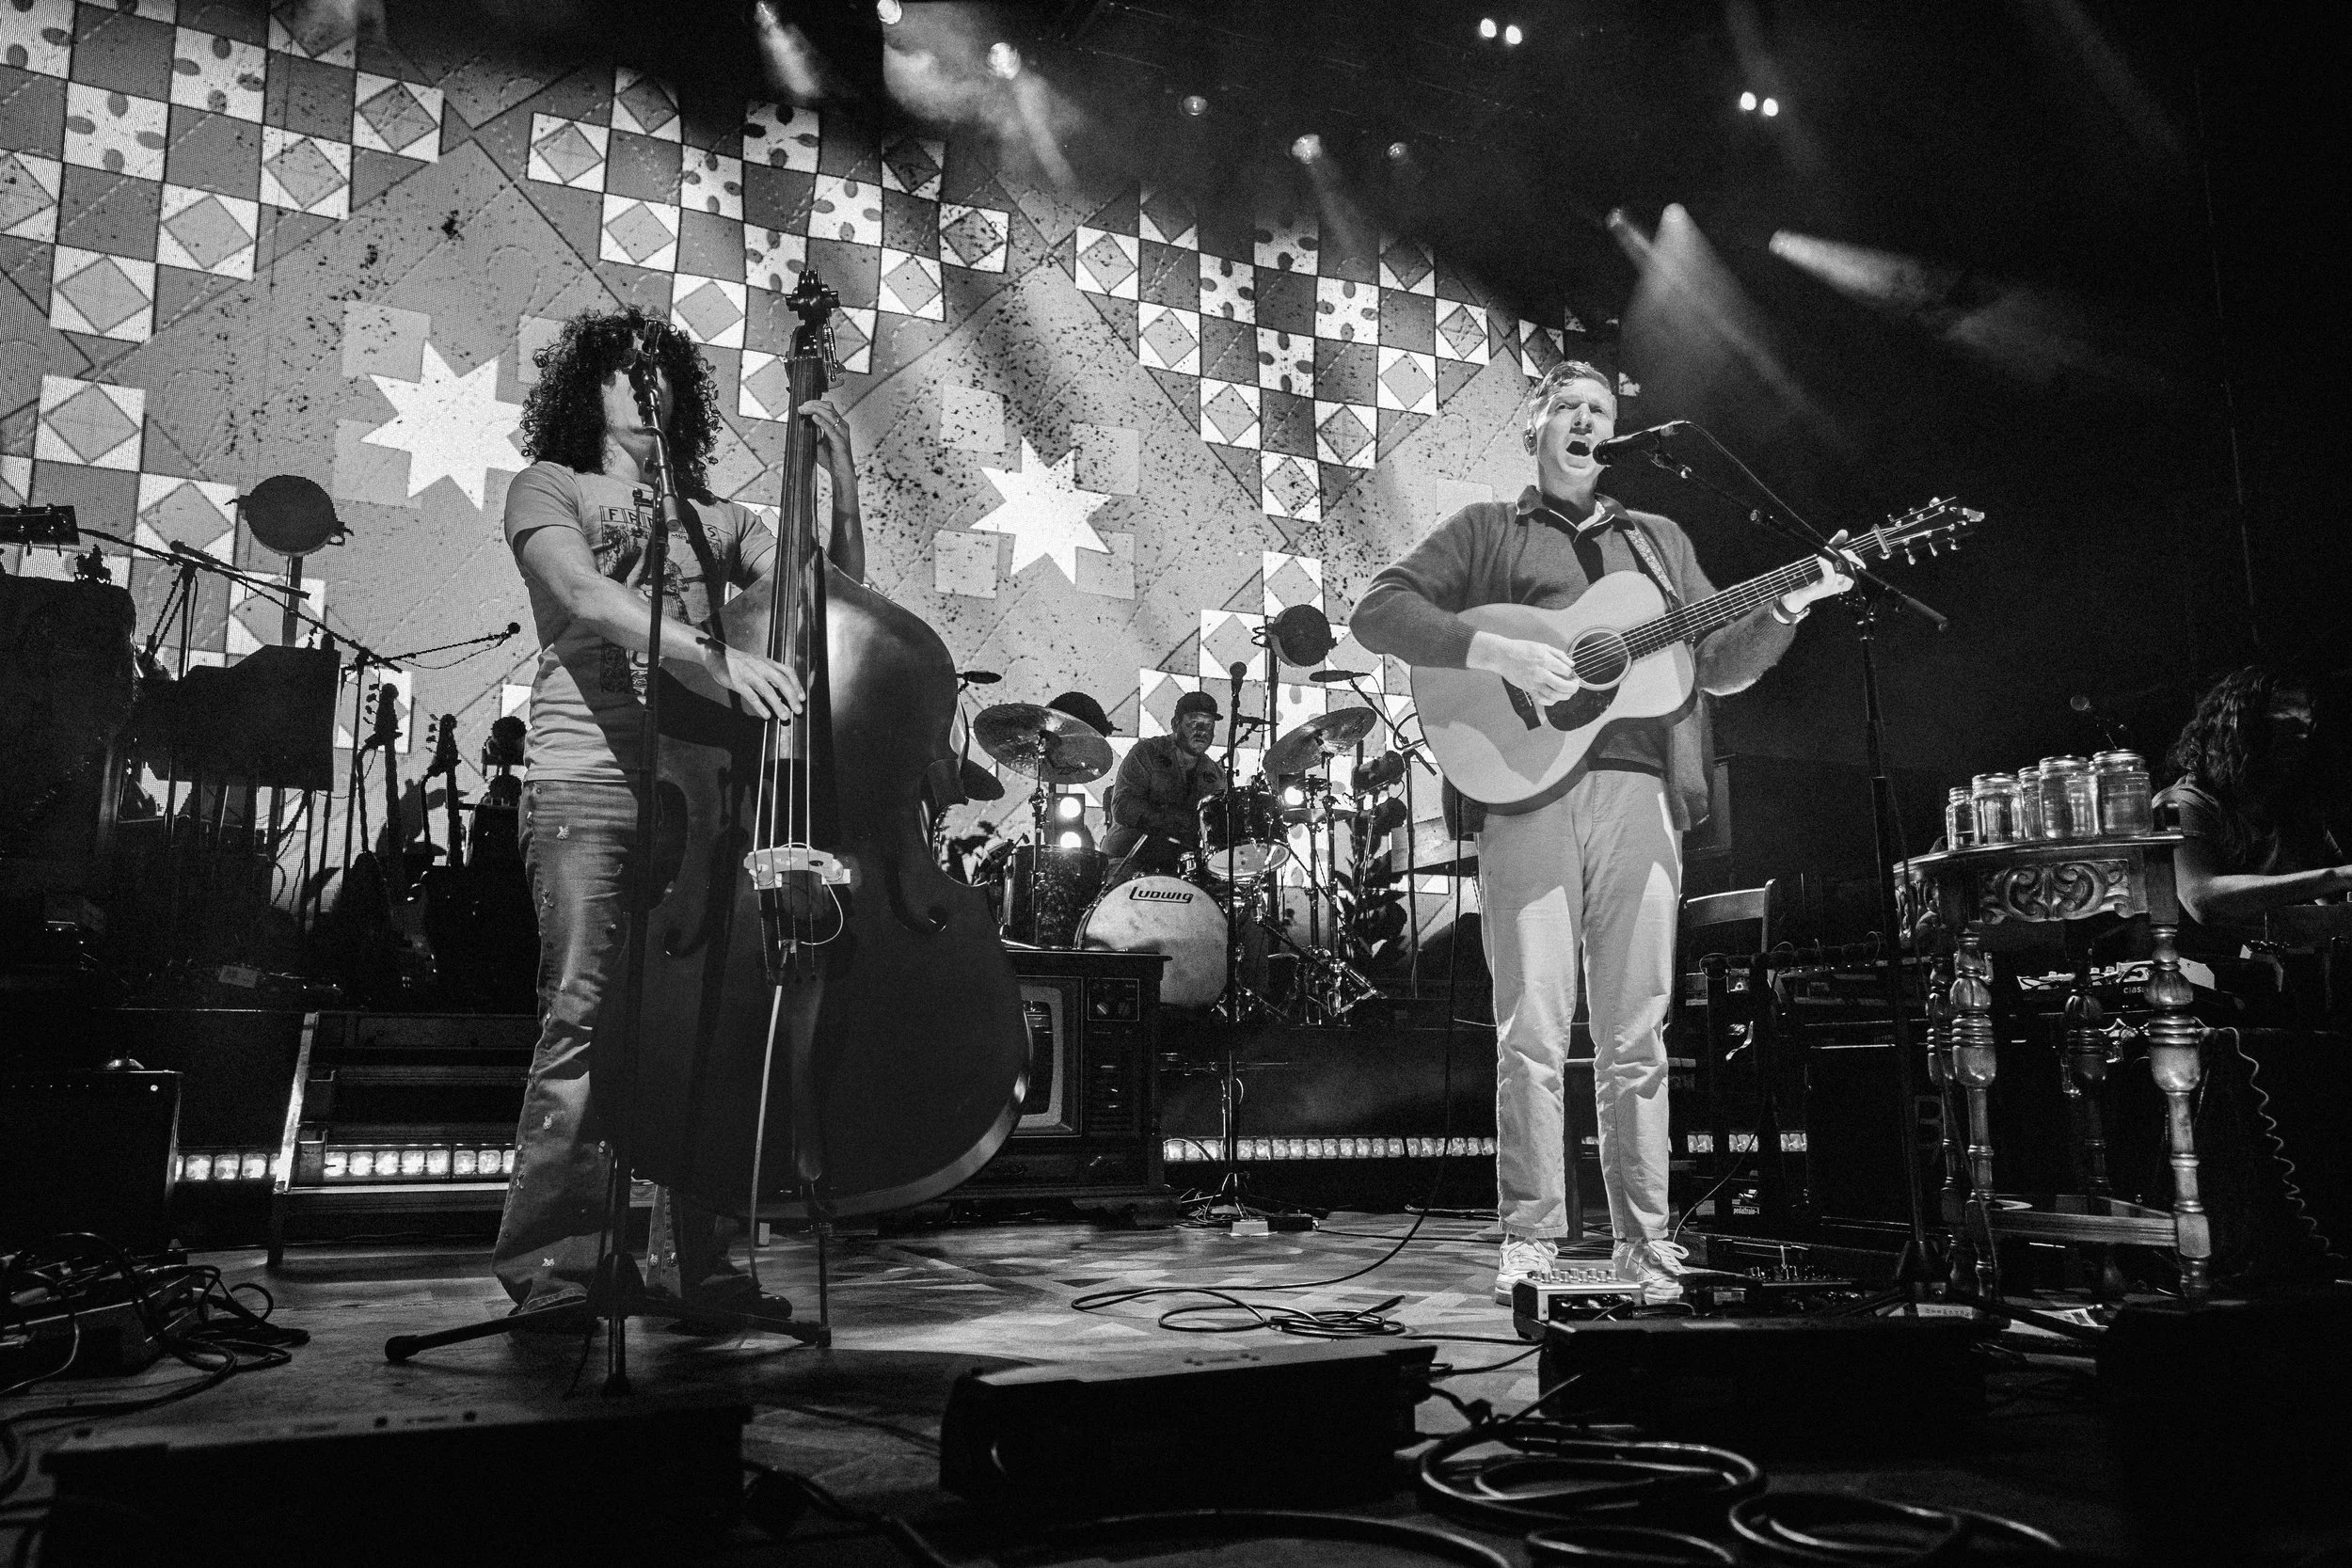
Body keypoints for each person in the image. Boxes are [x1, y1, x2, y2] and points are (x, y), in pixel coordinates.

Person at [1349, 360, 1852, 1305]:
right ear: (1535, 428)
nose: (1586, 422)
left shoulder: (1657, 541)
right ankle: (1531, 1235)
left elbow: (1715, 664)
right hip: (1525, 796)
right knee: (1532, 1026)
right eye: (1569, 409)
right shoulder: (1487, 531)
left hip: (1639, 797)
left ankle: (1645, 1243)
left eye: (1602, 413)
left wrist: (1788, 602)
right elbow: (1378, 609)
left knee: (1637, 1033)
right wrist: (1492, 646)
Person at [494, 305, 863, 1320]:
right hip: (586, 773)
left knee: (704, 1024)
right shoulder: (551, 485)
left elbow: (817, 592)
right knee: (582, 1014)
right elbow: (584, 594)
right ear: (591, 387)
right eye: (625, 369)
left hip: (703, 798)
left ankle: (701, 1261)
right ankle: (557, 1264)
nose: (645, 385)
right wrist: (715, 657)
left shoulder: (713, 515)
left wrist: (837, 474)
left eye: (663, 372)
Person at [2159, 667, 2349, 964]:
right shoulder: (2185, 803)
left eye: (2305, 725)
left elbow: (2337, 899)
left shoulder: (2292, 805)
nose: (2300, 737)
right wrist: (2333, 877)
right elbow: (2202, 900)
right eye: (2285, 724)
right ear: (2239, 730)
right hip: (2205, 986)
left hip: (2285, 978)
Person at [1103, 689, 1226, 886]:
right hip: (1130, 857)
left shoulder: (1215, 774)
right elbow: (1123, 807)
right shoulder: (1146, 752)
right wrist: (1173, 818)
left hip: (1183, 868)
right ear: (1175, 724)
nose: (1202, 731)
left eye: (1209, 725)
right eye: (1194, 723)